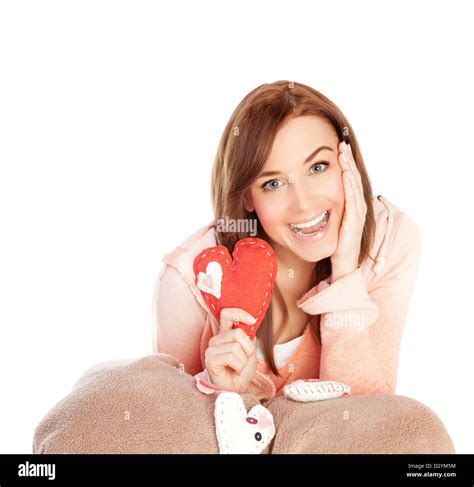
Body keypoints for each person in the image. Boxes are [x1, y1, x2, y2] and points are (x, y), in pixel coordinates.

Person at [152, 80, 422, 405]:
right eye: (273, 183)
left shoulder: (388, 244)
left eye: (318, 167)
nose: (304, 204)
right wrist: (221, 390)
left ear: (347, 162)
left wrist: (346, 273)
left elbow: (368, 423)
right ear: (247, 197)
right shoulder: (192, 280)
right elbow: (173, 431)